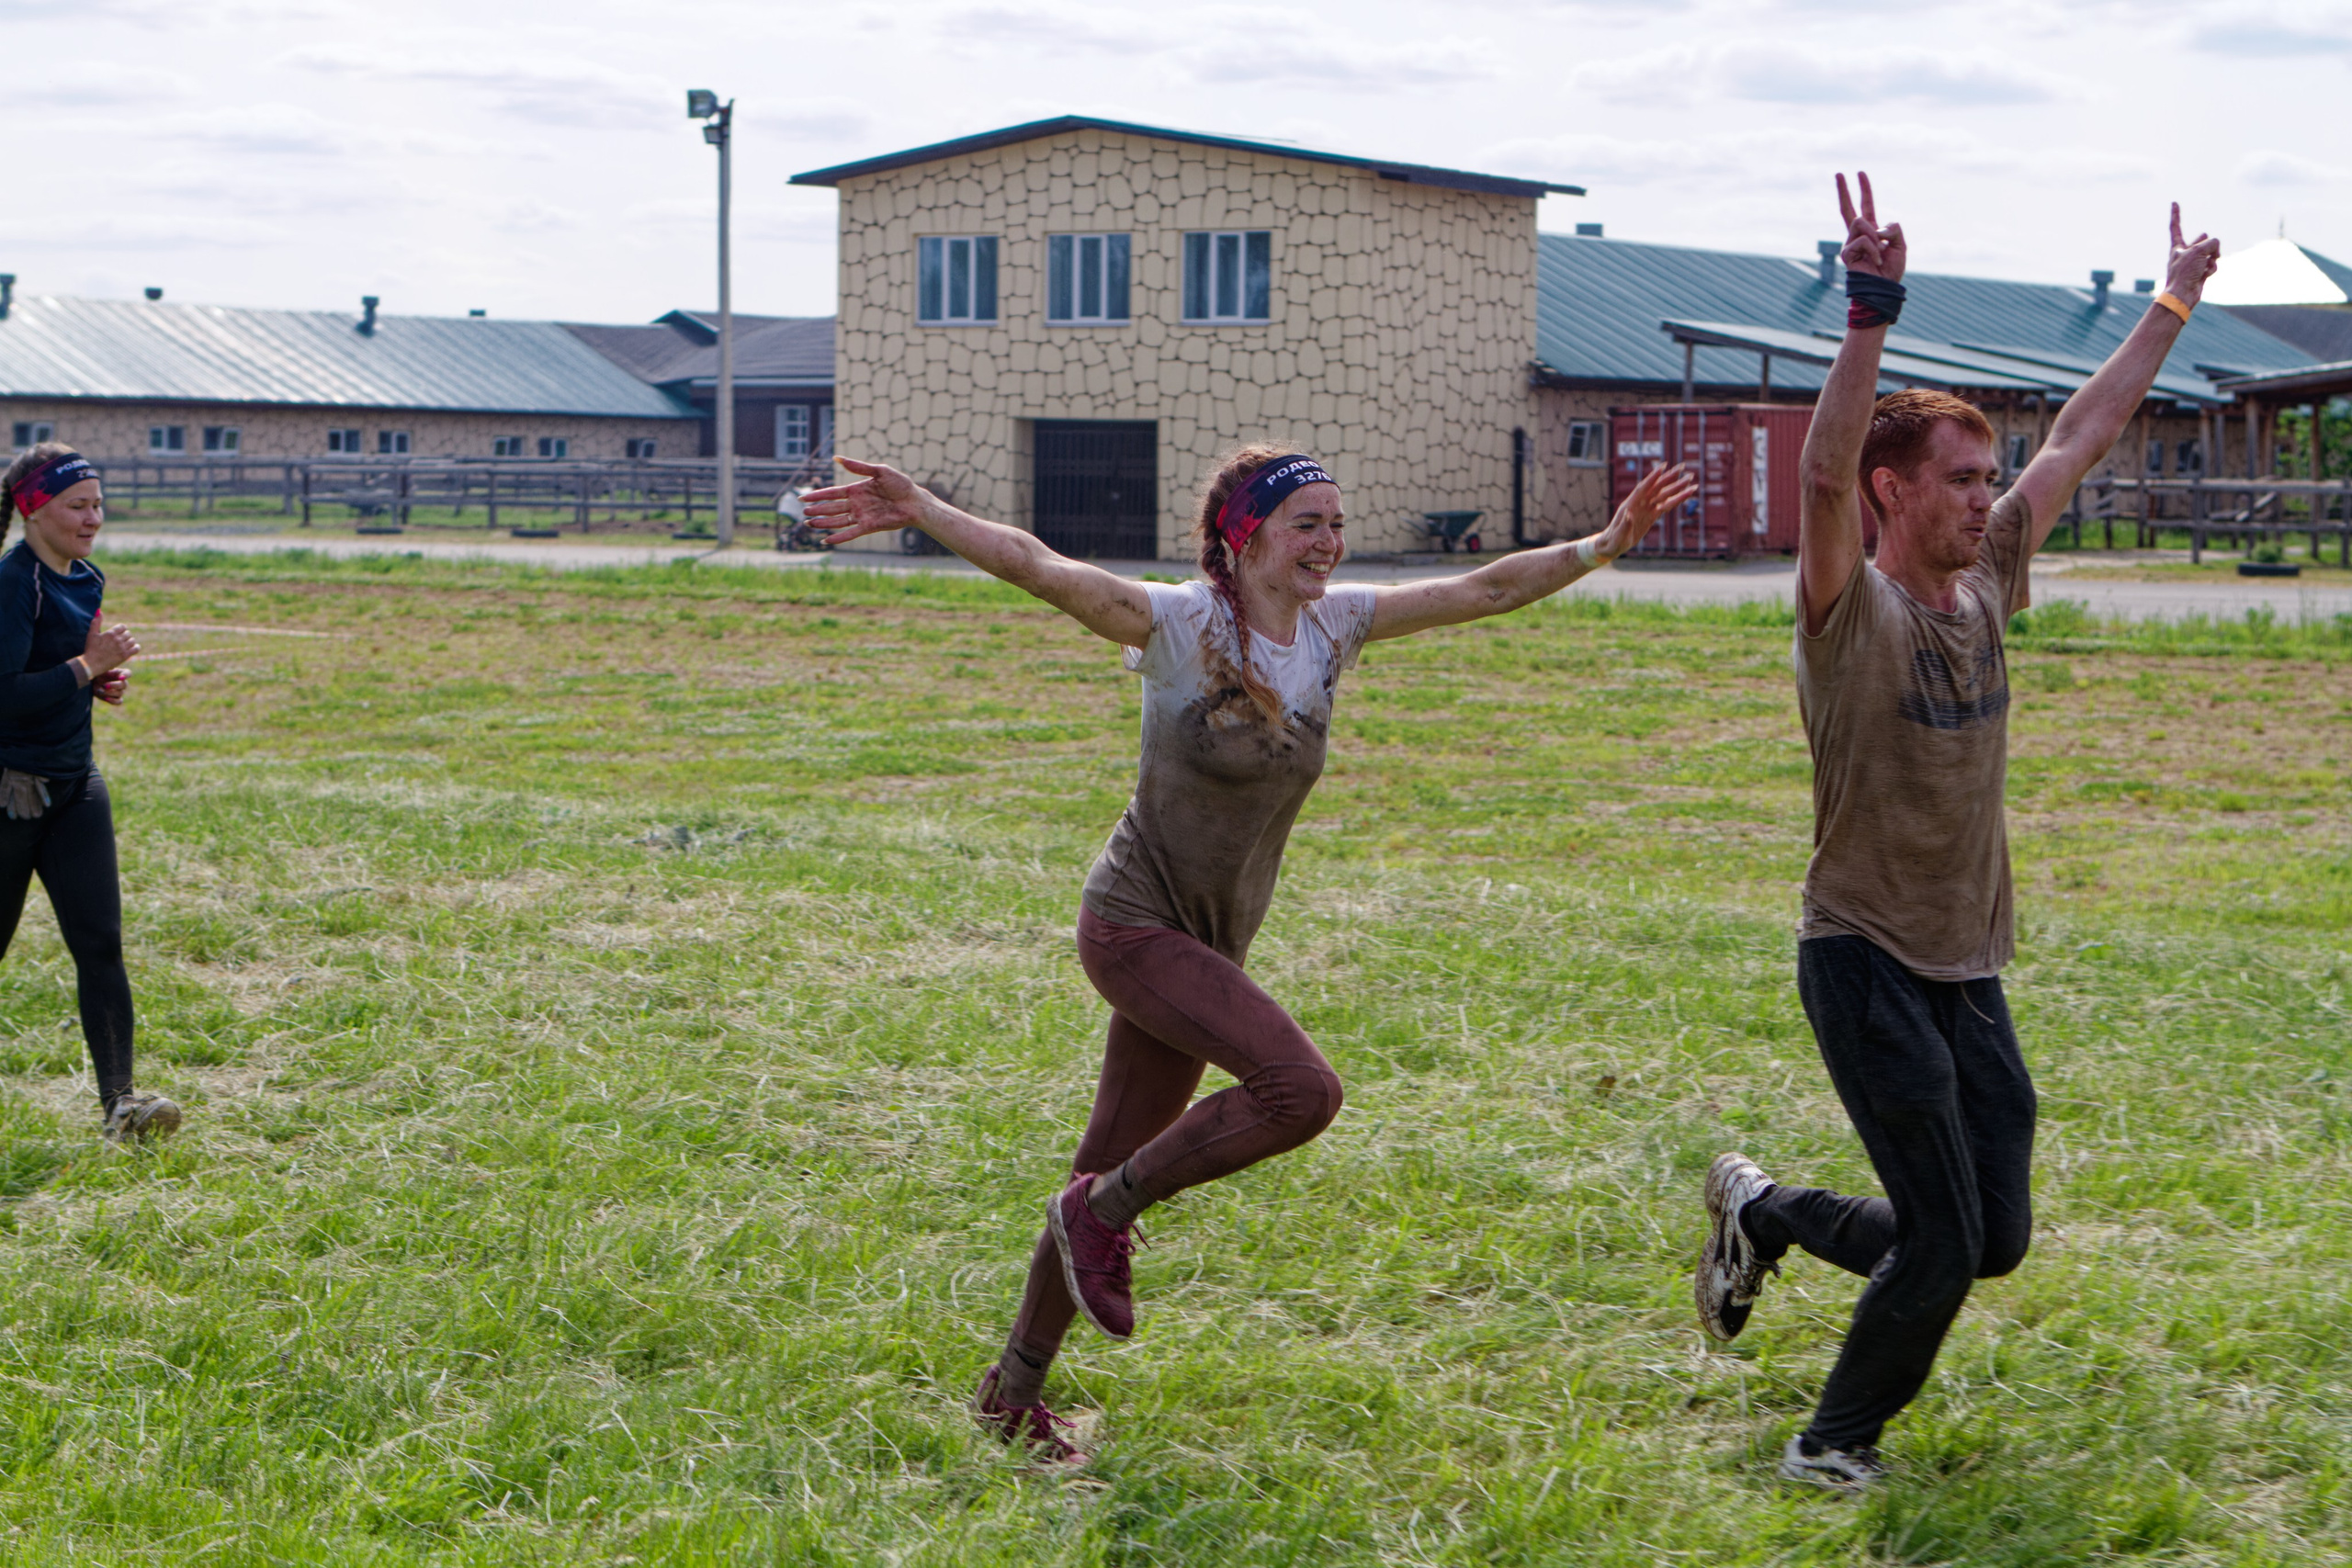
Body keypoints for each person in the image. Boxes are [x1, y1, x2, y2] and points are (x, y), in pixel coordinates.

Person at [805, 446, 1697, 1461]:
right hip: (1136, 927)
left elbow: (1483, 587)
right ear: (1246, 538)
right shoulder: (1179, 626)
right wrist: (924, 507)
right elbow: (1040, 567)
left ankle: (1010, 1394)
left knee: (1100, 1170)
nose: (1330, 541)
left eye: (1335, 522)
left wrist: (1601, 546)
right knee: (1298, 1092)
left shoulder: (1332, 630)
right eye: (1306, 522)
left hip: (1208, 944)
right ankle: (1098, 1213)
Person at [1693, 175, 2222, 1488]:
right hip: (1865, 951)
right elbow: (1818, 468)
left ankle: (1761, 1208)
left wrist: (2171, 301)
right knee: (1938, 1234)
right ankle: (1831, 1446)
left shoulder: (1988, 576)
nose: (1989, 497)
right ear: (1893, 490)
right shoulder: (1847, 610)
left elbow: (2086, 435)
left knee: (1991, 1237)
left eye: (1992, 476)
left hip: (1967, 958)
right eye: (1963, 478)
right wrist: (1869, 309)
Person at [0, 445, 178, 1144]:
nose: (93, 518)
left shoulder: (87, 577)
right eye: (78, 505)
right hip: (11, 794)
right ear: (32, 509)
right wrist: (85, 666)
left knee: (101, 942)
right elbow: (5, 695)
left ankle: (122, 1108)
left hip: (75, 785)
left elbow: (62, 677)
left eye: (98, 504)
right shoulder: (14, 585)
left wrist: (99, 682)